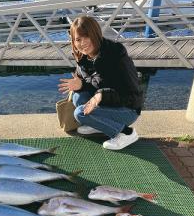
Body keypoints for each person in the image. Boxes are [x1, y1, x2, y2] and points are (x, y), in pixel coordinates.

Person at [58, 16, 144, 150]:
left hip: (128, 108)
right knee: (77, 96)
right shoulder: (84, 57)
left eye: (86, 36)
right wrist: (79, 85)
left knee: (80, 113)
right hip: (109, 102)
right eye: (78, 39)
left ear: (96, 34)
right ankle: (97, 124)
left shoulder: (114, 55)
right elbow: (92, 82)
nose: (82, 43)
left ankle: (126, 132)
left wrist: (100, 96)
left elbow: (128, 95)